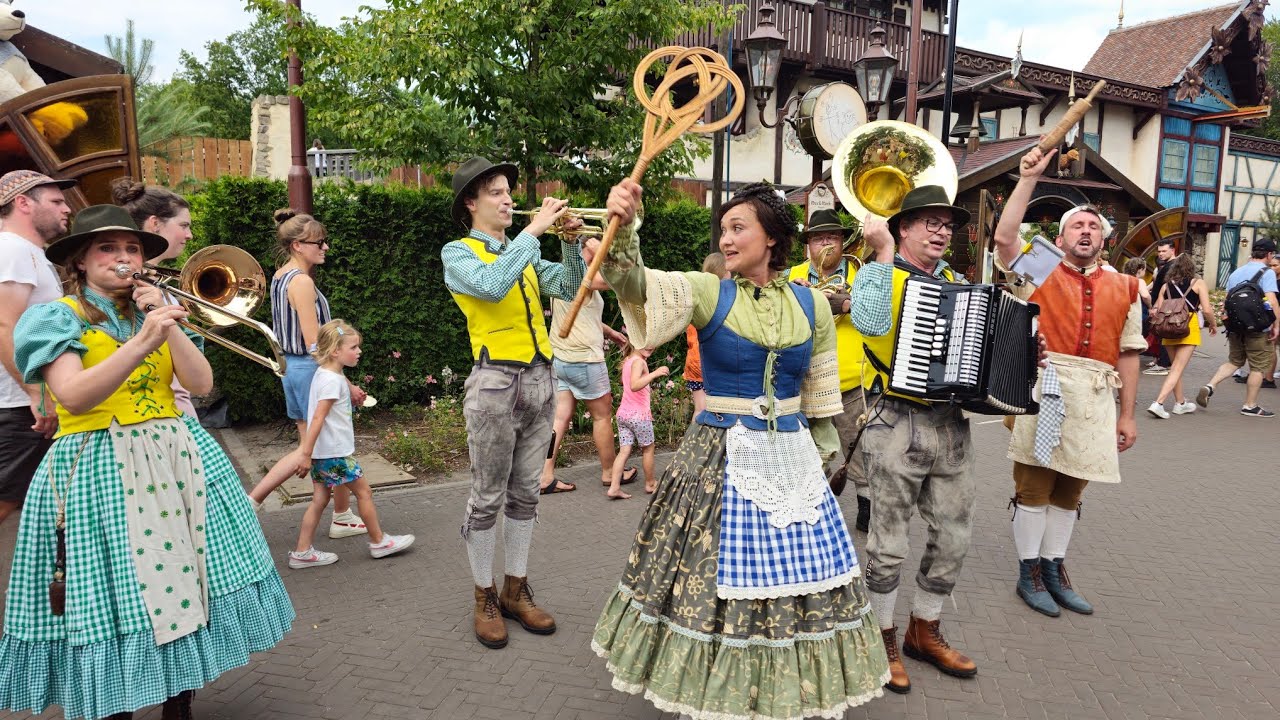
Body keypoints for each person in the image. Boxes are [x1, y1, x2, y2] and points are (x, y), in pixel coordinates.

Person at [588, 180, 889, 719]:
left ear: (771, 237)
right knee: (711, 576)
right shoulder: (709, 292)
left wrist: (822, 464)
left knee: (796, 577)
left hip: (793, 460)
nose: (726, 241)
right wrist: (625, 226)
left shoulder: (812, 304)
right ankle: (718, 689)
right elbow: (634, 285)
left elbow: (819, 397)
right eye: (723, 230)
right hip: (718, 457)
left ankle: (781, 691)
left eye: (738, 228)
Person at [0, 205, 293, 720]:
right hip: (98, 465)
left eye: (132, 248)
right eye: (107, 249)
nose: (123, 258)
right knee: (119, 595)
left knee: (191, 579)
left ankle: (179, 701)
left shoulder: (158, 311)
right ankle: (118, 704)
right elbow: (72, 395)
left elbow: (200, 385)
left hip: (177, 457)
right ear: (80, 262)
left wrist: (167, 323)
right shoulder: (55, 318)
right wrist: (141, 342)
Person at [441, 156, 585, 650]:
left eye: (509, 192)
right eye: (497, 193)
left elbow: (568, 288)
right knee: (487, 497)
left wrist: (570, 247)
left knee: (526, 494)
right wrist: (537, 232)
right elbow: (491, 283)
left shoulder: (519, 252)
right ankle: (483, 593)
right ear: (471, 203)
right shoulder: (457, 253)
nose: (508, 201)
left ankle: (514, 589)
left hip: (541, 380)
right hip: (495, 383)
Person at [994, 147, 1143, 619]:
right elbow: (1003, 240)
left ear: (1104, 239)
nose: (1086, 231)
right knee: (1035, 486)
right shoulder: (1042, 268)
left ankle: (1055, 568)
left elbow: (1129, 353)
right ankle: (1028, 572)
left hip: (1096, 396)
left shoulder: (1125, 286)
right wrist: (1029, 180)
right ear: (1061, 236)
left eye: (1094, 226)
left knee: (1072, 490)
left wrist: (1127, 415)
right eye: (1077, 225)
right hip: (1045, 386)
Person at [848, 185, 982, 693]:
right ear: (902, 228)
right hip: (895, 422)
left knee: (955, 537)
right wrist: (881, 252)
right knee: (887, 543)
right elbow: (869, 322)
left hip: (951, 423)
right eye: (929, 221)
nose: (942, 231)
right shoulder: (877, 273)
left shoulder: (959, 283)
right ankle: (878, 634)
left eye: (947, 224)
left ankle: (923, 631)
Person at [247, 209, 367, 538]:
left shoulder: (281, 275)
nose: (326, 247)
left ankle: (342, 514)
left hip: (295, 368)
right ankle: (251, 503)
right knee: (313, 448)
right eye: (319, 242)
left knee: (327, 447)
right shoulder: (301, 282)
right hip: (311, 369)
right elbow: (315, 344)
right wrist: (346, 382)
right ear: (298, 245)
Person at [286, 320, 414, 568]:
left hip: (324, 455)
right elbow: (318, 418)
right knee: (364, 493)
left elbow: (323, 414)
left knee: (320, 501)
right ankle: (379, 542)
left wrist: (310, 454)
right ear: (336, 351)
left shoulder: (324, 374)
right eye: (354, 347)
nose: (359, 351)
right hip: (336, 454)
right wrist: (305, 453)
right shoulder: (333, 381)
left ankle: (302, 552)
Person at [789, 208, 871, 530]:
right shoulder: (792, 275)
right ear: (808, 244)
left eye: (833, 237)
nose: (826, 243)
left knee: (859, 449)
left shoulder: (860, 274)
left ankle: (866, 508)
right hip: (806, 381)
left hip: (851, 380)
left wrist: (847, 303)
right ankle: (809, 506)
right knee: (809, 450)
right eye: (819, 238)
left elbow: (877, 316)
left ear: (842, 242)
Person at [0, 170, 74, 527]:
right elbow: (4, 324)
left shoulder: (28, 252)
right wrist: (36, 393)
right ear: (23, 203)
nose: (67, 208)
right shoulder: (13, 249)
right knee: (7, 500)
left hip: (26, 402)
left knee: (37, 503)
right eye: (57, 201)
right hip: (19, 405)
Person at [111, 177, 199, 418]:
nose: (189, 235)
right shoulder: (123, 284)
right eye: (184, 225)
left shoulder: (160, 282)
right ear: (154, 223)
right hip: (156, 407)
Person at [539, 274, 632, 495]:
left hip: (560, 357)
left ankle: (544, 475)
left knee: (560, 417)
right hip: (585, 360)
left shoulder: (559, 277)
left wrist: (610, 332)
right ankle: (610, 472)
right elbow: (618, 279)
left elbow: (580, 313)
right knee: (601, 415)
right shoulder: (583, 275)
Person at [1197, 237, 1280, 417]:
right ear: (1269, 254)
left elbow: (1227, 301)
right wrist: (1276, 326)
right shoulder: (1268, 273)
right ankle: (1250, 405)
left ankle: (1210, 385)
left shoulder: (1236, 272)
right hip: (1259, 328)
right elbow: (1272, 301)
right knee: (1258, 367)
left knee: (1234, 361)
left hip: (1236, 327)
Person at [1148, 254, 1217, 418]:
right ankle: (1158, 403)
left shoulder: (1165, 286)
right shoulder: (1197, 283)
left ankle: (1180, 403)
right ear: (1191, 268)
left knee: (1175, 368)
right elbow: (1206, 309)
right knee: (1178, 368)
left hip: (1168, 328)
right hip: (1188, 326)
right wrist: (1213, 324)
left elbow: (1157, 308)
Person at [609, 341, 667, 498]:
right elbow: (634, 385)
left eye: (651, 344)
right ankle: (650, 483)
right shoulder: (639, 362)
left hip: (623, 414)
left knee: (624, 451)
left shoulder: (628, 360)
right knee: (648, 449)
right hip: (639, 416)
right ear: (634, 342)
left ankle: (614, 487)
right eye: (644, 344)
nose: (650, 347)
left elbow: (627, 383)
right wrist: (655, 373)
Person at [684, 252, 727, 414]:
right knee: (715, 411)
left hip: (694, 363)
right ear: (726, 272)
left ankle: (694, 440)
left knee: (699, 410)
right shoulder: (720, 297)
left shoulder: (697, 295)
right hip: (710, 363)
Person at [1144, 239, 1178, 375]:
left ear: (1172, 250)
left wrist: (1155, 306)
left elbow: (1163, 288)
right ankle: (1165, 361)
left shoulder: (1171, 266)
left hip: (1164, 305)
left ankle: (1164, 363)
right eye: (1159, 251)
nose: (1160, 254)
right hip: (1166, 304)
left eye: (1164, 251)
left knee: (1163, 332)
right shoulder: (1170, 265)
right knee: (1162, 333)